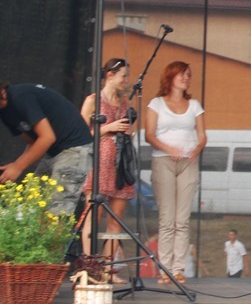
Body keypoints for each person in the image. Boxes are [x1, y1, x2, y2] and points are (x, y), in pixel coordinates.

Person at [144, 61, 206, 285]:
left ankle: (179, 269)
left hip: (188, 163)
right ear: (170, 77)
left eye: (188, 75)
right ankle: (165, 270)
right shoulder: (156, 104)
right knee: (167, 219)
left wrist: (197, 149)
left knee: (182, 220)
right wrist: (169, 149)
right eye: (182, 74)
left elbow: (202, 135)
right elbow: (149, 135)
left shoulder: (194, 105)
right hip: (164, 162)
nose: (186, 78)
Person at [0, 79, 93, 216]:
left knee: (56, 213)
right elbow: (33, 141)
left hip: (75, 149)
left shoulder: (20, 96)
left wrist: (18, 167)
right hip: (55, 152)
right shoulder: (5, 112)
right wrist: (15, 166)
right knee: (33, 206)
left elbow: (47, 137)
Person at [79, 58, 137, 278]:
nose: (126, 81)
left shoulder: (124, 103)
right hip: (99, 163)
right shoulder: (93, 101)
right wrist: (108, 128)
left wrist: (126, 131)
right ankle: (89, 266)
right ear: (110, 75)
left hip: (120, 164)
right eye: (123, 76)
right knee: (94, 215)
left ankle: (107, 268)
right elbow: (81, 135)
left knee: (116, 219)